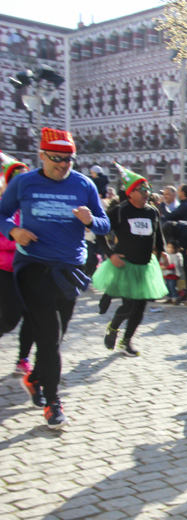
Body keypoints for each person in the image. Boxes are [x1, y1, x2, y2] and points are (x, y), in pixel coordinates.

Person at [0, 127, 110, 429]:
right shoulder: (23, 183)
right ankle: (53, 402)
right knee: (49, 337)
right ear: (42, 155)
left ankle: (35, 377)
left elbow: (104, 224)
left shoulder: (84, 184)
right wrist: (13, 231)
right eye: (56, 158)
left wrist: (91, 220)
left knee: (56, 338)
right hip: (34, 266)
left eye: (69, 159)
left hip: (70, 270)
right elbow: (1, 213)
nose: (63, 164)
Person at [92, 164, 168, 357]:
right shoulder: (120, 211)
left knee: (140, 309)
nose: (146, 193)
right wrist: (110, 254)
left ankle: (126, 341)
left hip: (144, 266)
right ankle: (114, 327)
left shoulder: (152, 211)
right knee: (129, 306)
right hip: (125, 265)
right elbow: (100, 231)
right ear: (130, 192)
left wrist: (163, 251)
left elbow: (157, 234)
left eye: (147, 189)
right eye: (141, 190)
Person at [0, 153, 34, 376]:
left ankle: (23, 359)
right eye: (17, 178)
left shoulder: (34, 207)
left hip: (31, 269)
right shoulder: (3, 208)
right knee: (11, 318)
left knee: (32, 315)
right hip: (6, 270)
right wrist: (18, 238)